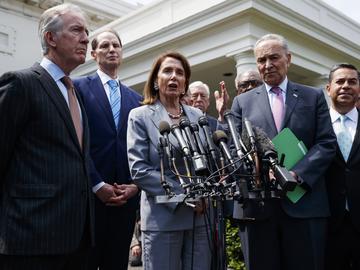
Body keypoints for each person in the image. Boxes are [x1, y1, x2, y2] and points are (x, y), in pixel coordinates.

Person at [0, 3, 94, 270]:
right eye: (76, 30)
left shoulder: (74, 93)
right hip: (30, 240)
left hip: (78, 241)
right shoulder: (20, 84)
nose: (86, 38)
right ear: (50, 38)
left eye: (86, 31)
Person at [231, 33, 337, 270]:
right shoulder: (242, 102)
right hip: (259, 208)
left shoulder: (314, 96)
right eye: (261, 60)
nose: (267, 65)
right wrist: (258, 172)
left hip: (305, 205)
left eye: (274, 57)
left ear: (288, 59)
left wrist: (296, 174)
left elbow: (326, 143)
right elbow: (233, 148)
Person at [127, 51, 211, 270]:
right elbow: (139, 170)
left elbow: (208, 161)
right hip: (163, 218)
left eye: (180, 73)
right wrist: (185, 197)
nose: (174, 76)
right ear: (156, 80)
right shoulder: (140, 116)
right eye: (167, 71)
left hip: (201, 218)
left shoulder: (197, 117)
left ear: (185, 83)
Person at [73, 29, 141, 270]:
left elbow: (140, 149)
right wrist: (97, 184)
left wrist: (135, 185)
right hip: (88, 199)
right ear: (93, 54)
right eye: (104, 46)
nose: (111, 49)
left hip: (125, 200)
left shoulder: (137, 100)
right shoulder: (77, 88)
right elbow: (75, 140)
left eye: (116, 45)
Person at [325, 63, 360, 270]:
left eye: (352, 82)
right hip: (327, 223)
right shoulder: (313, 125)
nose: (346, 86)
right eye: (340, 81)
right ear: (328, 88)